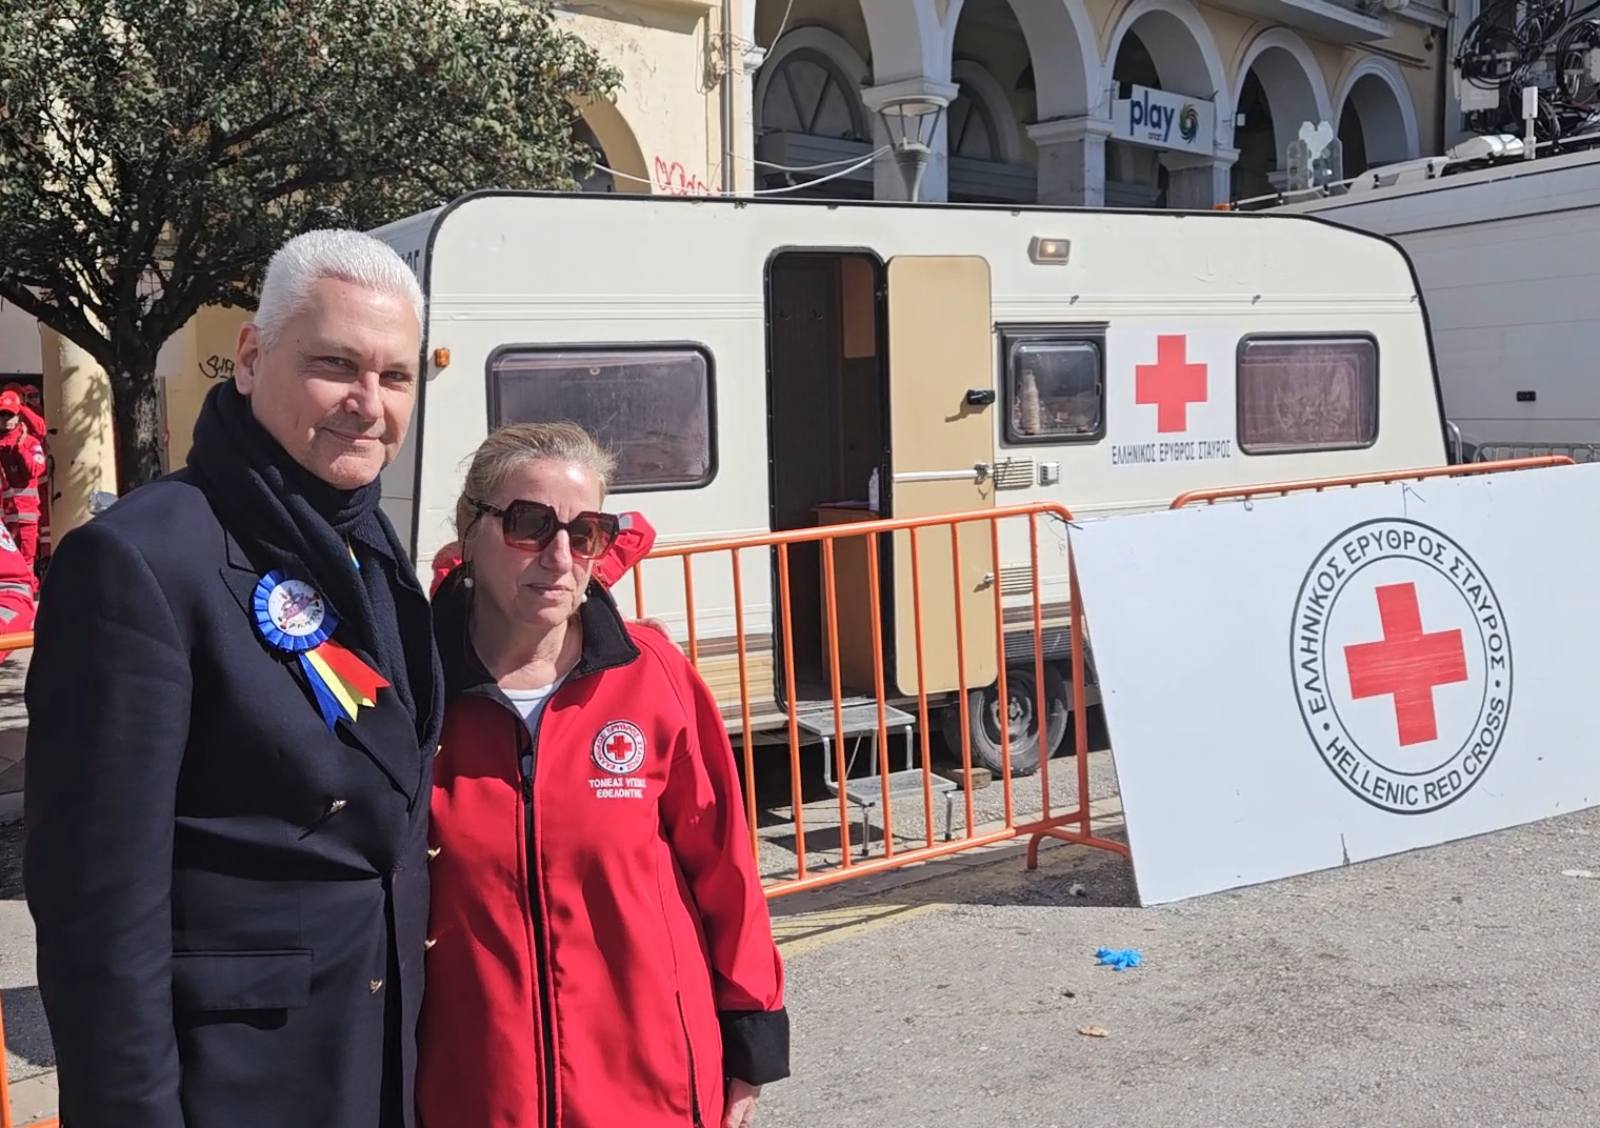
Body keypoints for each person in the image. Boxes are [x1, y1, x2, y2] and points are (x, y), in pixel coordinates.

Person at [24, 230, 443, 1127]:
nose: (368, 404)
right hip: (237, 1085)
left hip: (372, 1059)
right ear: (252, 358)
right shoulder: (139, 561)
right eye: (336, 364)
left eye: (396, 376)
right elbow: (100, 909)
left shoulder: (364, 537)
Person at [419, 423, 788, 1128]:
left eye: (585, 532)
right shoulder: (416, 692)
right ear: (471, 528)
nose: (559, 556)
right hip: (478, 1093)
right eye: (529, 525)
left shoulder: (651, 675)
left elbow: (726, 869)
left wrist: (753, 1031)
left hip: (650, 1085)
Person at [0, 389, 47, 575]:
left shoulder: (30, 443)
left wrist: (19, 447)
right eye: (1, 414)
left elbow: (35, 470)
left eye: (9, 414)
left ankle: (26, 598)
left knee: (26, 562)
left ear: (17, 416)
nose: (5, 419)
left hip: (25, 515)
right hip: (4, 518)